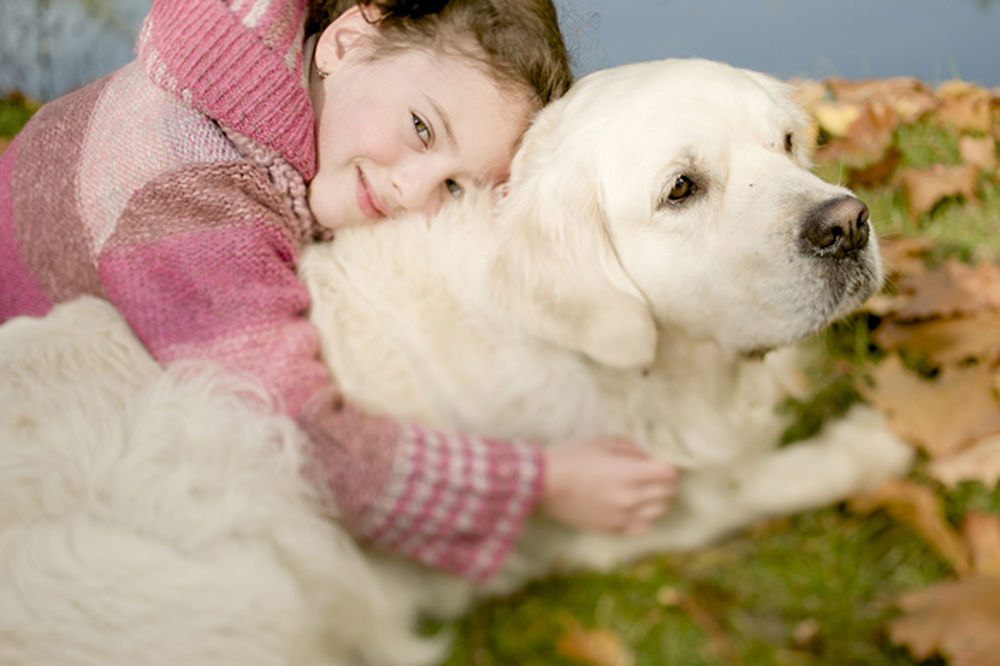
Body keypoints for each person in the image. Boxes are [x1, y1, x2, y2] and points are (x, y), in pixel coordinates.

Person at [0, 0, 677, 582]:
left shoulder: (259, 88)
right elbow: (292, 440)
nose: (413, 191)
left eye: (453, 187)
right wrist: (542, 485)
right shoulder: (191, 201)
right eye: (422, 128)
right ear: (347, 41)